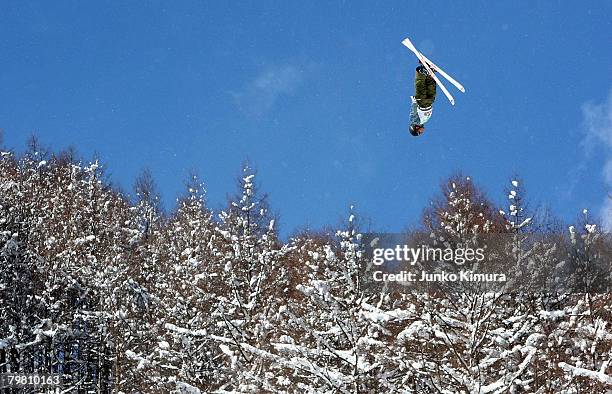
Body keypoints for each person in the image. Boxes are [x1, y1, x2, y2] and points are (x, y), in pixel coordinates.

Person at [409, 62, 437, 136]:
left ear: (416, 128)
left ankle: (420, 72)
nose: (422, 132)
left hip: (422, 103)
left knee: (421, 87)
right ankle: (429, 76)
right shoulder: (423, 122)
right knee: (431, 90)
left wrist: (414, 102)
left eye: (420, 132)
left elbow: (413, 111)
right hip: (429, 103)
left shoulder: (415, 121)